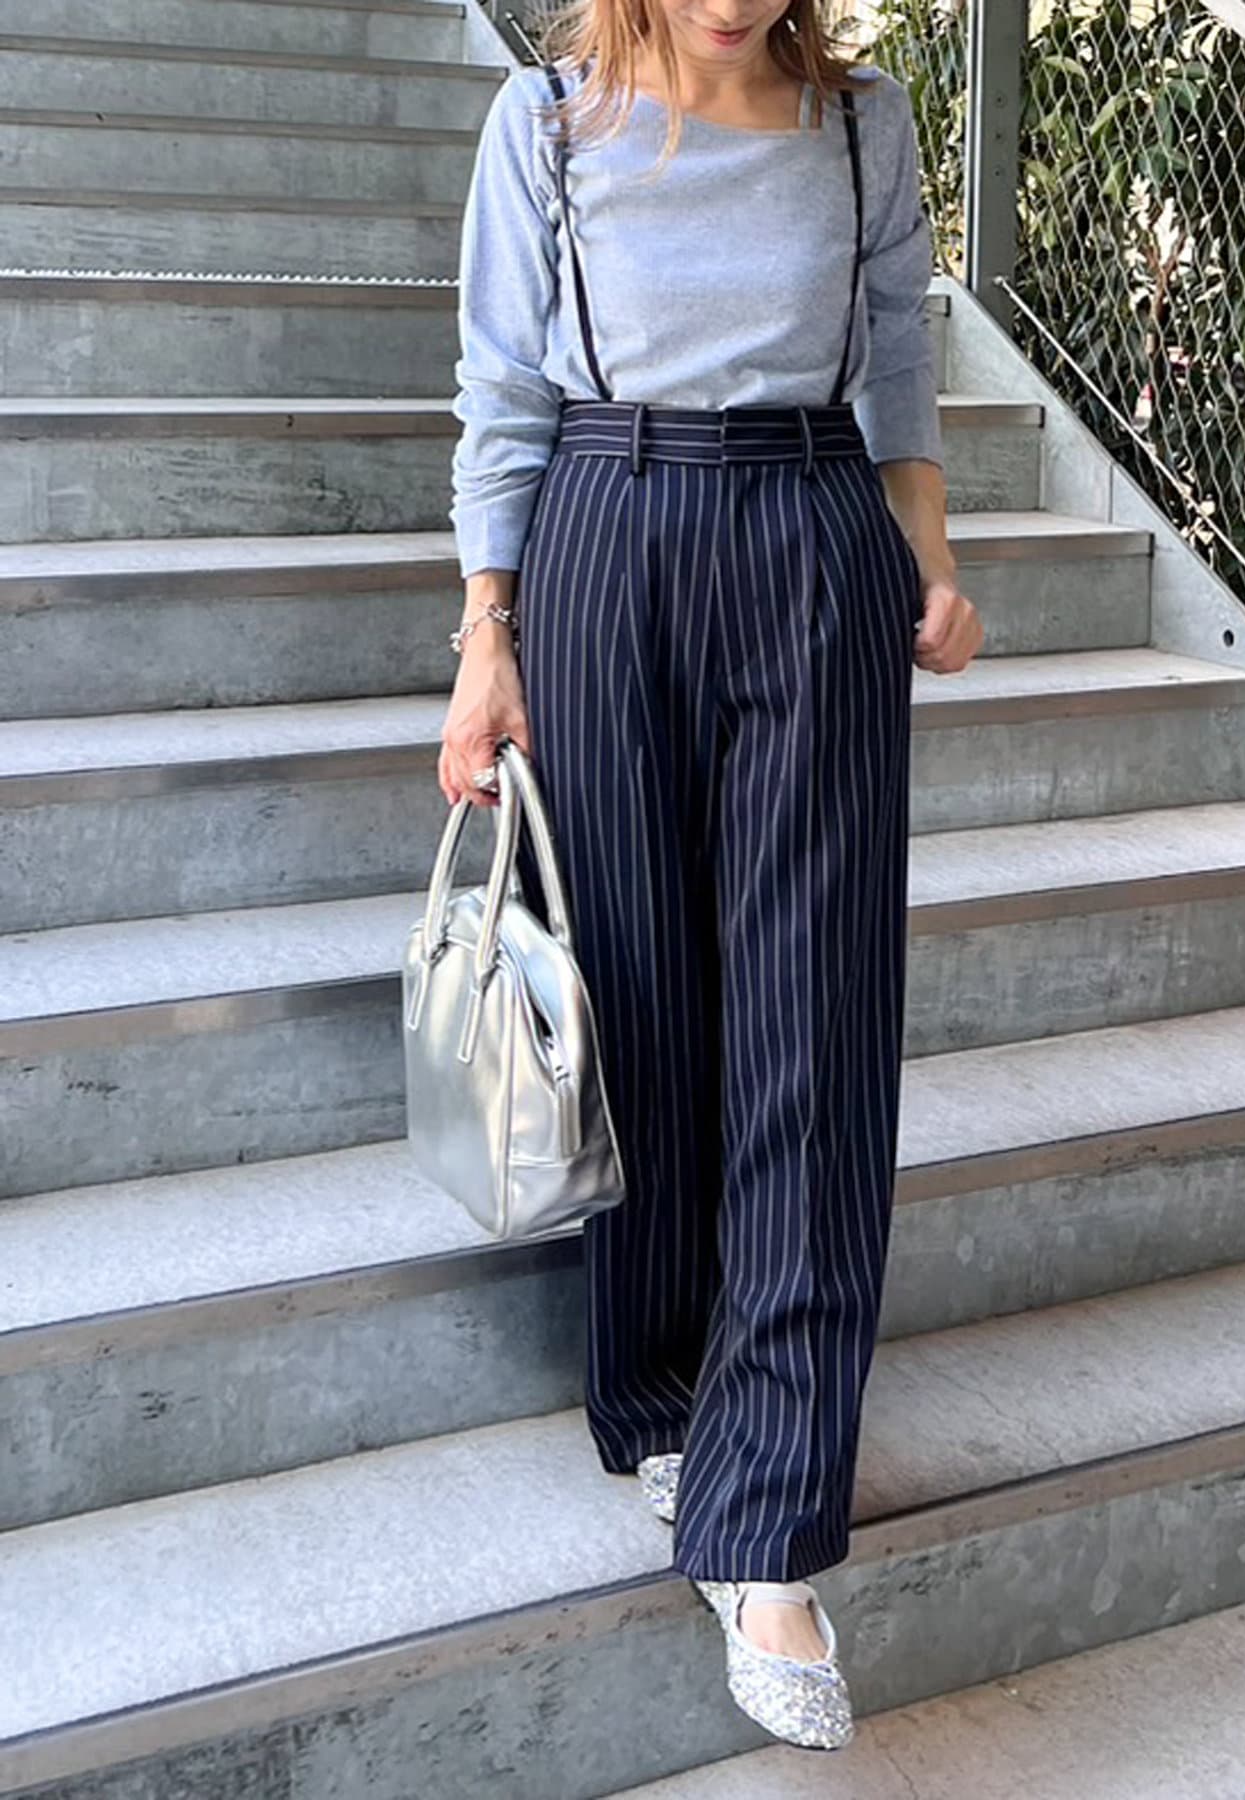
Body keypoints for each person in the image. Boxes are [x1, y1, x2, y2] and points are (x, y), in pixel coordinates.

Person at [439, 0, 981, 1752]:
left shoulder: (863, 123)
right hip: (605, 534)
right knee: (643, 998)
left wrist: (931, 559)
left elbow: (895, 356)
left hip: (814, 537)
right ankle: (666, 1390)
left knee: (815, 1019)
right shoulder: (544, 124)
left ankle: (768, 1524)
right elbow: (505, 385)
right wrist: (487, 636)